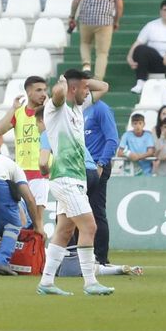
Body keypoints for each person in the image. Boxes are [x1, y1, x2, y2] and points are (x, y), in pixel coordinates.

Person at [38, 69, 113, 296]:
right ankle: (90, 283)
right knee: (89, 227)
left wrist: (82, 81)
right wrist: (64, 82)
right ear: (73, 89)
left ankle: (46, 283)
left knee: (63, 231)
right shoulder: (55, 108)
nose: (88, 91)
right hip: (65, 178)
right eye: (84, 88)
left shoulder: (79, 107)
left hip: (76, 178)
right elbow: (59, 93)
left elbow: (104, 86)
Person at [0, 76, 49, 232]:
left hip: (39, 173)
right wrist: (13, 108)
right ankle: (25, 254)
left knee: (37, 220)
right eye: (39, 90)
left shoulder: (48, 112)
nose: (43, 93)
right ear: (28, 92)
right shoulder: (19, 113)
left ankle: (38, 255)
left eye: (45, 90)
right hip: (20, 173)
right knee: (20, 220)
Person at [68, 0, 123, 82]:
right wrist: (116, 20)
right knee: (102, 52)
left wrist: (72, 16)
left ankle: (86, 66)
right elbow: (119, 4)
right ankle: (97, 79)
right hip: (105, 20)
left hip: (86, 17)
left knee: (85, 43)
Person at [82, 99, 118, 265]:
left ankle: (100, 257)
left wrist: (102, 163)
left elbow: (112, 139)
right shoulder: (79, 109)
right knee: (77, 212)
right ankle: (78, 257)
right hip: (80, 167)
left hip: (97, 166)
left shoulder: (101, 108)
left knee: (96, 211)